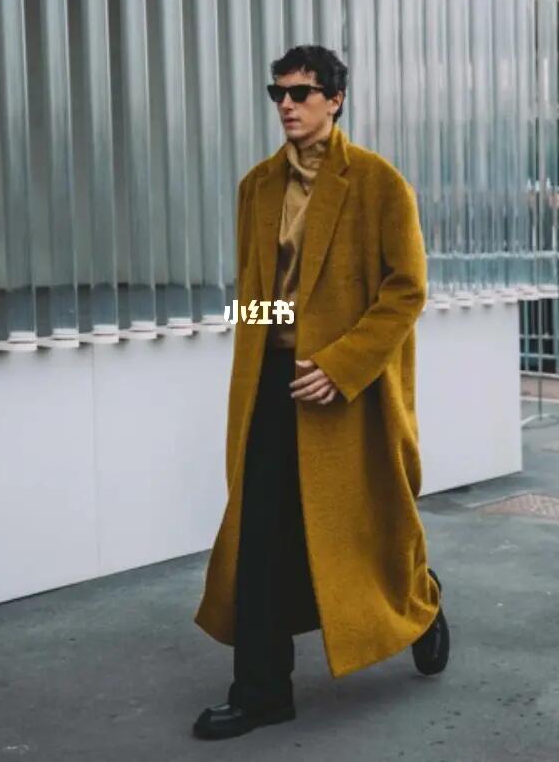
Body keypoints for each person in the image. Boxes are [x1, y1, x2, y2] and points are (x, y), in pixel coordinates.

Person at [192, 45, 450, 740]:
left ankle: (420, 603)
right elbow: (259, 291)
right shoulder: (256, 187)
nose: (286, 104)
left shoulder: (378, 182)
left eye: (301, 92)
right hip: (272, 384)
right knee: (259, 530)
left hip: (348, 388)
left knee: (368, 522)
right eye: (277, 92)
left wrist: (340, 365)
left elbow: (407, 291)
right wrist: (247, 330)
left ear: (335, 99)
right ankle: (262, 691)